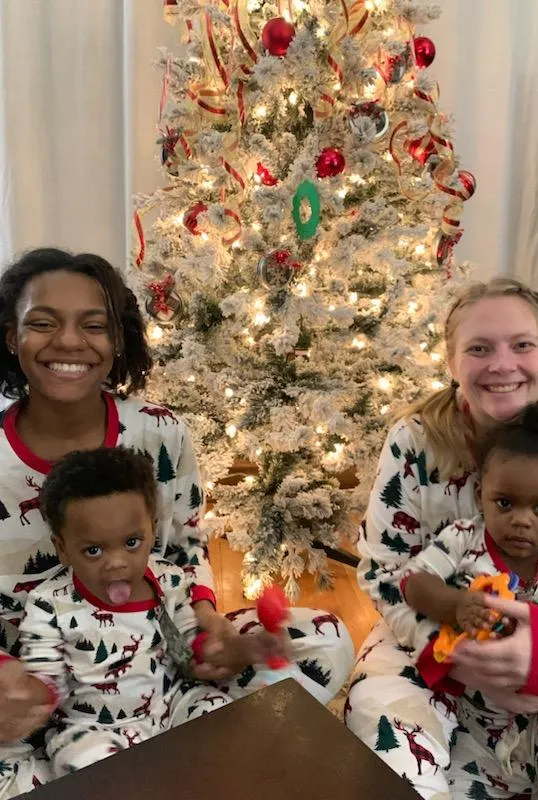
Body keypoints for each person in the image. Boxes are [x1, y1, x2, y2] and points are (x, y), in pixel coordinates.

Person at [0, 248, 353, 797]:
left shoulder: (161, 432)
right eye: (42, 324)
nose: (69, 342)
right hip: (32, 680)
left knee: (325, 640)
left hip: (163, 659)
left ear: (117, 342)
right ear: (10, 338)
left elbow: (184, 554)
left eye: (93, 326)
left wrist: (210, 625)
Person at [346, 277, 538, 799]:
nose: (502, 365)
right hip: (432, 647)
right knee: (388, 749)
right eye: (479, 348)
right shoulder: (414, 442)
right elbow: (385, 573)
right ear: (452, 361)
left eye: (522, 345)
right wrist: (456, 654)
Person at [19, 446, 295, 778]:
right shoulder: (48, 603)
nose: (117, 562)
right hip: (92, 729)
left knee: (223, 716)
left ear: (152, 529)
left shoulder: (169, 581)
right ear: (62, 548)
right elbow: (45, 680)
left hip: (171, 704)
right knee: (83, 763)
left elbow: (193, 653)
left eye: (132, 542)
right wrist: (28, 694)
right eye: (93, 550)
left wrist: (246, 648)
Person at [398, 404, 538, 798]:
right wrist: (453, 604)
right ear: (481, 495)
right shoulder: (461, 538)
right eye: (505, 503)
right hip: (473, 717)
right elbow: (413, 581)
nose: (522, 520)